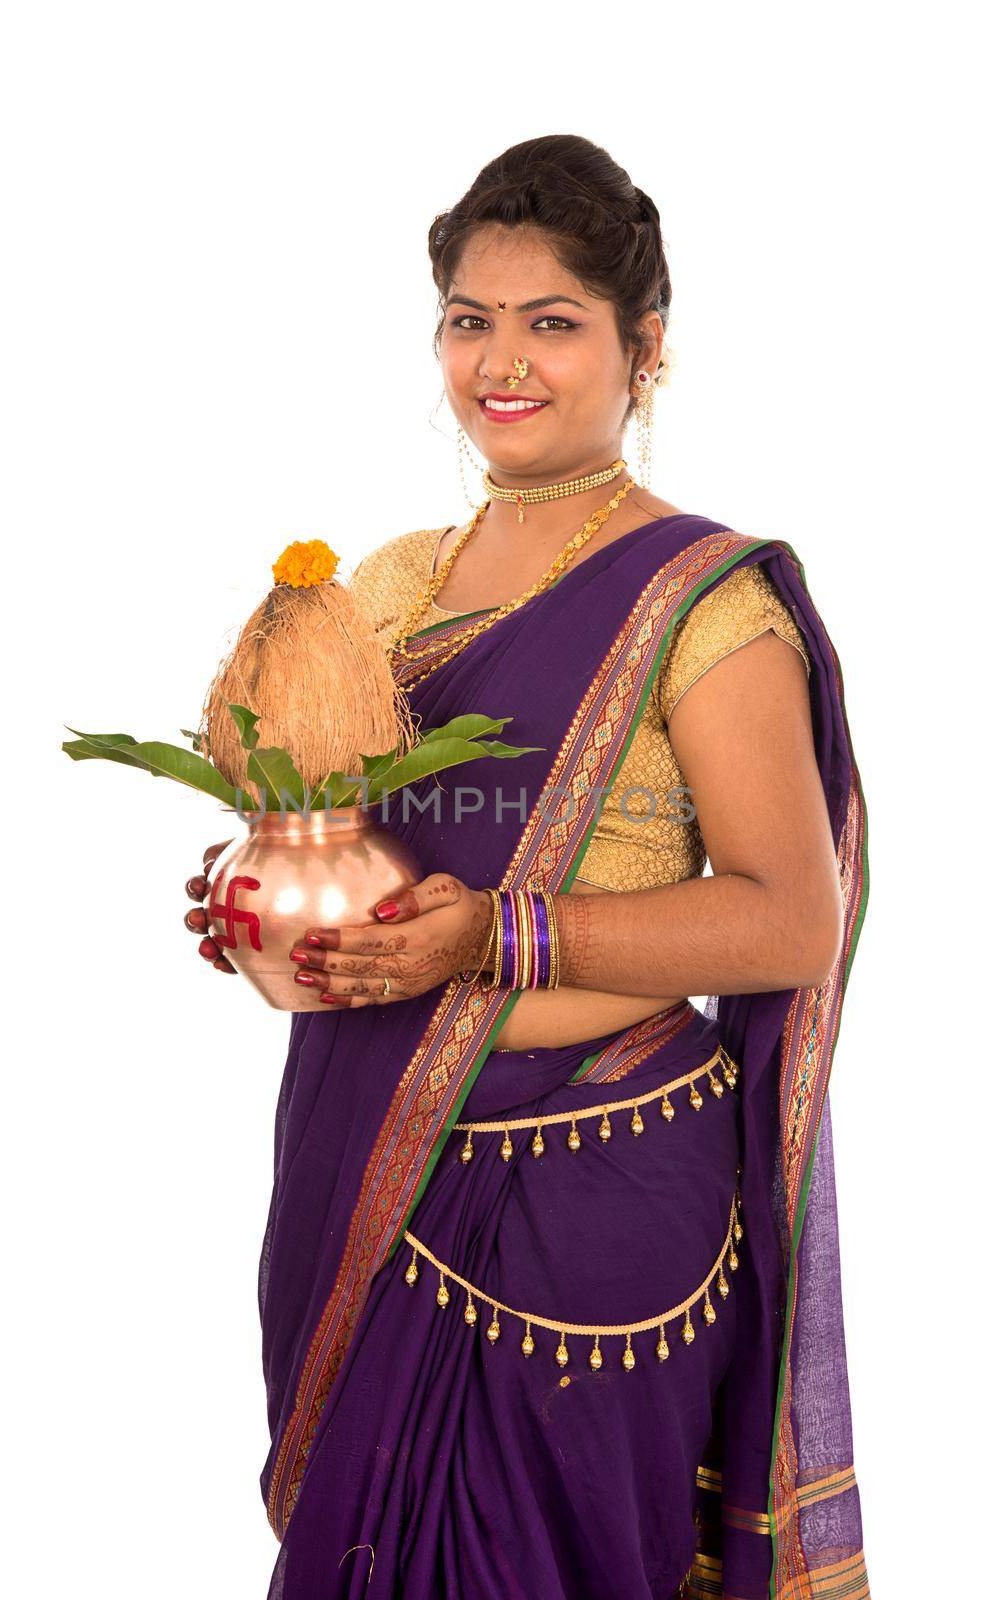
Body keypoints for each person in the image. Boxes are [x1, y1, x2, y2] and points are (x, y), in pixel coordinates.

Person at [184, 134, 871, 1600]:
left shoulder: (701, 601)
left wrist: (495, 938)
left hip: (598, 1199)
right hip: (371, 1157)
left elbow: (790, 921)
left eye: (553, 323)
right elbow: (341, 839)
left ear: (646, 349)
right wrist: (272, 904)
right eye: (469, 321)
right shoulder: (383, 585)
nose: (505, 362)